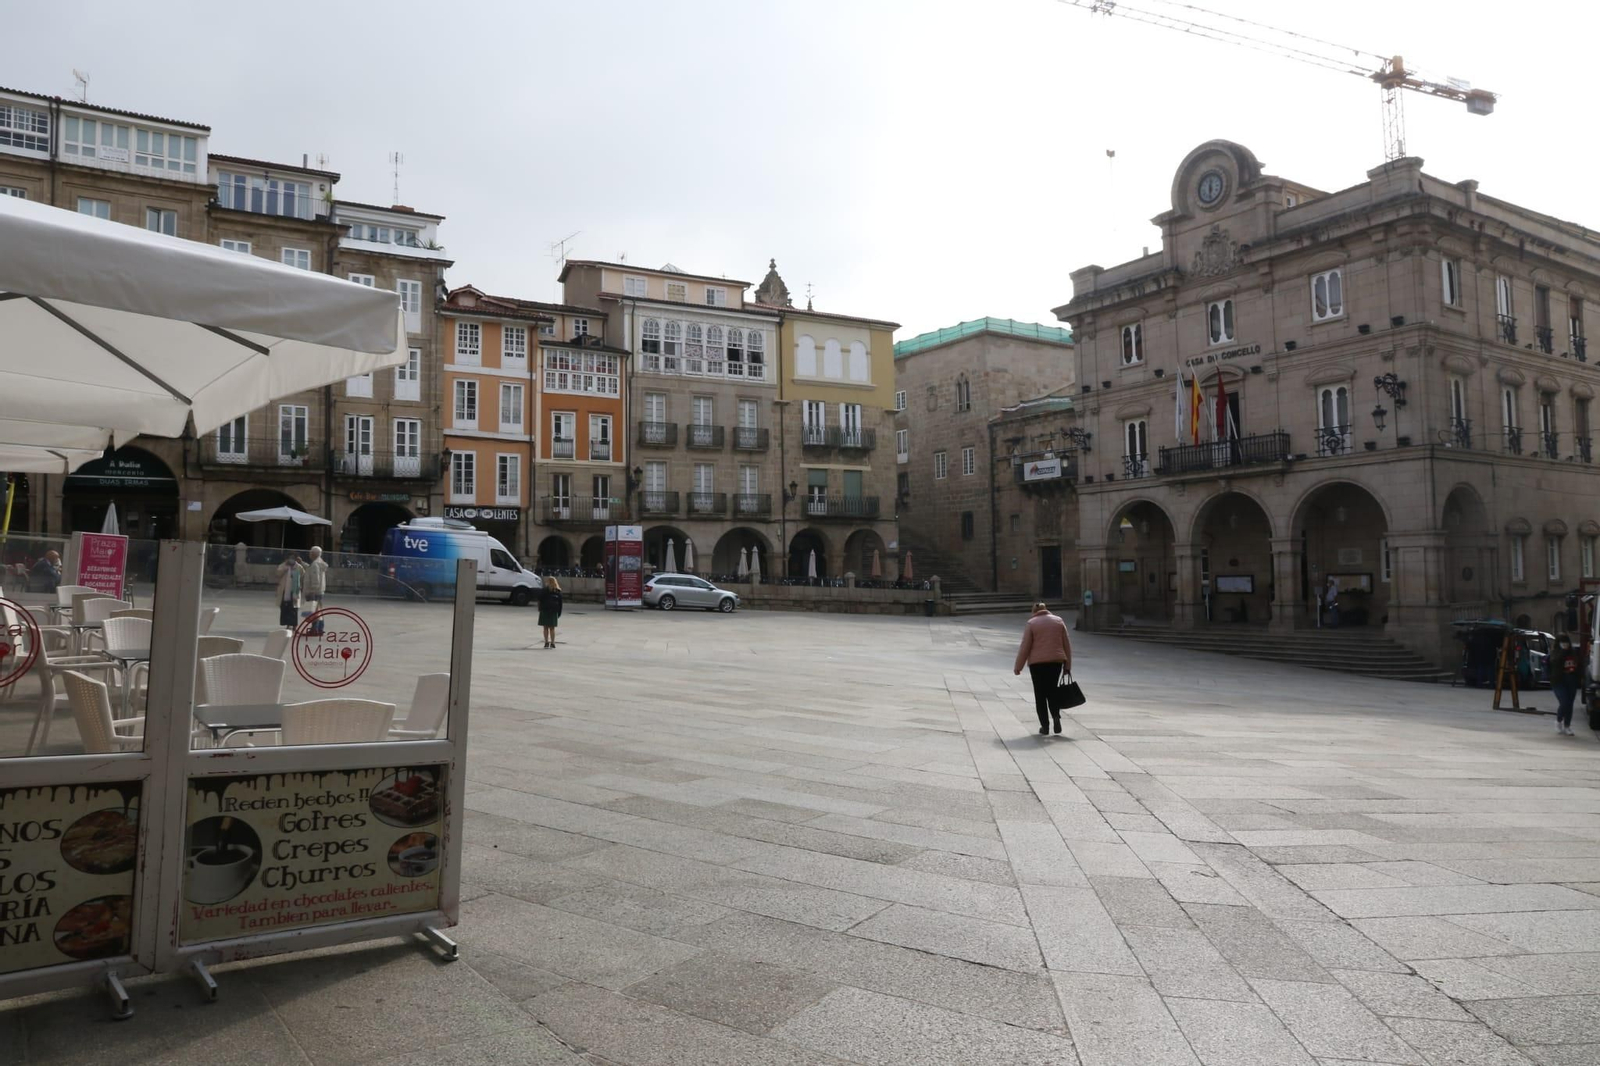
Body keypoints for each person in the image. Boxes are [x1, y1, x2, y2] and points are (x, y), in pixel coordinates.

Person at [1013, 602, 1073, 736]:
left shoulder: (1031, 623)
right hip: (1055, 662)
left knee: (1040, 694)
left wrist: (1018, 666)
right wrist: (1067, 666)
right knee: (1052, 691)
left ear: (1033, 612)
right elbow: (1066, 644)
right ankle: (1056, 716)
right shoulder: (1059, 621)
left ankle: (1045, 726)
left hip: (1037, 664)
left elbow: (1025, 646)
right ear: (1046, 610)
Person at [1550, 633, 1584, 736]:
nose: (1565, 644)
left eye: (1566, 642)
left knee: (1569, 704)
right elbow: (1555, 662)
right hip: (1558, 681)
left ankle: (1567, 726)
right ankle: (1558, 720)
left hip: (1571, 681)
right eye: (1562, 642)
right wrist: (1563, 652)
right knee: (1564, 702)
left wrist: (1579, 677)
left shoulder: (1573, 652)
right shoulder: (1555, 653)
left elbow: (1579, 665)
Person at [302, 546, 329, 633]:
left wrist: (312, 591)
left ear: (314, 554)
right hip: (319, 591)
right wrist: (302, 563)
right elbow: (310, 568)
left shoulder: (315, 564)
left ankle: (314, 629)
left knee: (313, 611)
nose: (309, 554)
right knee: (319, 610)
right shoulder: (319, 562)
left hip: (314, 592)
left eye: (311, 552)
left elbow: (315, 579)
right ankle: (320, 628)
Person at [274, 555, 303, 628]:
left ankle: (294, 625)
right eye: (289, 558)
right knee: (285, 607)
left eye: (292, 558)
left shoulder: (298, 566)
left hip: (294, 591)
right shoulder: (282, 566)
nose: (291, 560)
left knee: (294, 608)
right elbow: (278, 574)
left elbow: (303, 574)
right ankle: (287, 624)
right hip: (284, 590)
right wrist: (285, 568)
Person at [538, 577, 563, 649]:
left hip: (545, 610)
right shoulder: (558, 591)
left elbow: (539, 599)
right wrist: (559, 612)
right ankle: (552, 642)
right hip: (554, 611)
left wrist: (540, 608)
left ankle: (546, 642)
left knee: (545, 627)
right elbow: (560, 603)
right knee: (552, 628)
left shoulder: (544, 590)